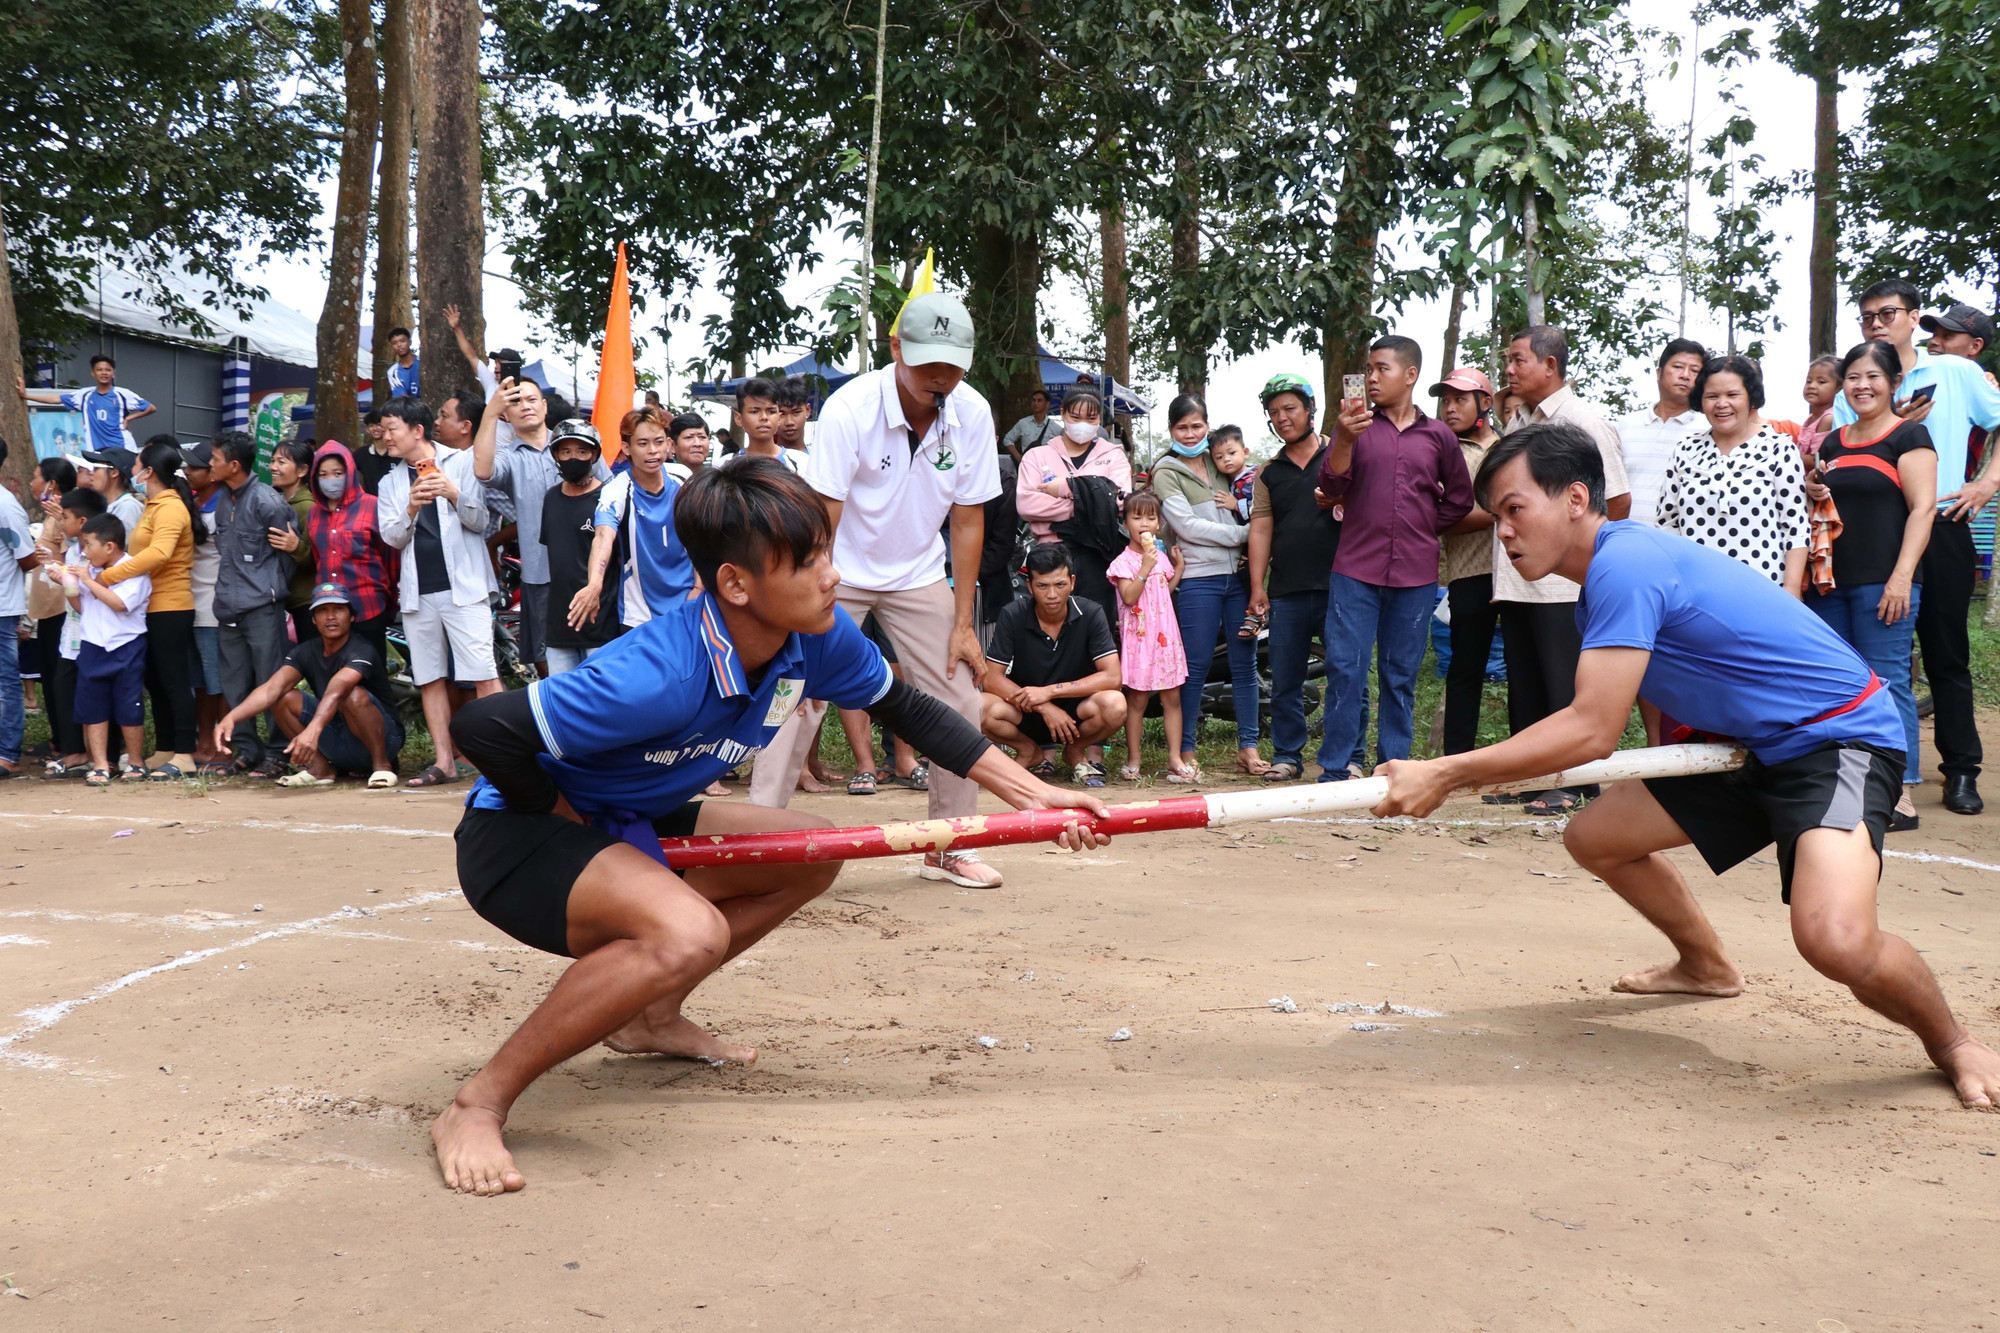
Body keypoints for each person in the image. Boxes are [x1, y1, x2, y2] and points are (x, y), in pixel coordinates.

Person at [432, 458, 1108, 1194]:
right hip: (520, 838)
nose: (832, 576)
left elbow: (907, 710)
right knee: (688, 932)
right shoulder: (660, 672)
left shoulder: (812, 637)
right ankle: (477, 1103)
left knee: (810, 849)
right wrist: (566, 816)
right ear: (735, 584)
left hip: (637, 811)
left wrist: (1033, 794)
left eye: (826, 551)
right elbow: (484, 726)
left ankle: (650, 1015)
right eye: (809, 561)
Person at [1373, 420, 2000, 1112]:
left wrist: (1447, 771)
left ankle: (1954, 1042)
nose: (1503, 531)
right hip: (1744, 745)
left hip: (1836, 741)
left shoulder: (1625, 562)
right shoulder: (1602, 587)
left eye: (1515, 509)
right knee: (1595, 838)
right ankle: (1705, 964)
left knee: (1835, 940)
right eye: (1496, 516)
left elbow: (1591, 729)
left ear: (1576, 498)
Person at [752, 291, 1005, 888]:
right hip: (839, 568)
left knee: (960, 697)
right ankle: (756, 843)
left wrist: (964, 621)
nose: (940, 379)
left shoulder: (972, 411)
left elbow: (968, 519)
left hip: (919, 573)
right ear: (896, 349)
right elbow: (824, 516)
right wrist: (812, 600)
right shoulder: (850, 409)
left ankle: (949, 844)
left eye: (953, 366)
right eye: (927, 365)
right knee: (797, 697)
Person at [1834, 280, 2000, 815]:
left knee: (1945, 651)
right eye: (1866, 316)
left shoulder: (1955, 372)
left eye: (1888, 313)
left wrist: (1986, 482)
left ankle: (1960, 772)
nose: (1877, 322)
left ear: (1913, 316)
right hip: (1876, 535)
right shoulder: (1853, 388)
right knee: (1879, 662)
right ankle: (1883, 771)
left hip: (1944, 521)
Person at [1319, 335, 1475, 781]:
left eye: (1380, 368)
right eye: (1368, 368)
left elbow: (1460, 500)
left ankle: (1394, 770)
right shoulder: (1353, 426)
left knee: (1400, 675)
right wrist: (1345, 439)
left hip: (1415, 573)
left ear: (1409, 376)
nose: (1370, 377)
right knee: (1345, 669)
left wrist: (1423, 528)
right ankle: (1334, 768)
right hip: (1354, 570)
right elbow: (1330, 487)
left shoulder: (1439, 436)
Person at [1492, 326, 1632, 816]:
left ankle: (1573, 784)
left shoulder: (1583, 423)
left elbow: (1617, 500)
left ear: (1550, 366)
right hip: (1518, 580)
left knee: (1563, 686)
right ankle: (1528, 779)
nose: (1508, 370)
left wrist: (1591, 568)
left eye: (1518, 360)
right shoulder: (1518, 426)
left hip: (1564, 583)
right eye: (1507, 361)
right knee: (1526, 684)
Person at [1803, 340, 1938, 831]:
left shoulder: (1909, 436)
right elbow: (1825, 502)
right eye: (1854, 377)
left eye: (1873, 377)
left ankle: (1900, 793)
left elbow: (1923, 510)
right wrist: (1814, 486)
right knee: (1840, 686)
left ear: (1893, 382)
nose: (1862, 386)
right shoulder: (1835, 442)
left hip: (1886, 582)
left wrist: (1902, 577)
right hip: (1831, 585)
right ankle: (1847, 785)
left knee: (1887, 683)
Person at [376, 395, 498, 788]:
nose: (385, 436)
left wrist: (452, 493)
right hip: (417, 593)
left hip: (465, 588)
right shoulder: (390, 481)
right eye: (383, 429)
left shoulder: (461, 462)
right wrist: (411, 508)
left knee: (484, 675)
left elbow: (483, 521)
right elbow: (392, 538)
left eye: (392, 428)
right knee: (429, 678)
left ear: (417, 430)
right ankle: (444, 761)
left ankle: (505, 757)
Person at [1246, 372, 1358, 784]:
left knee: (1348, 674)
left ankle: (1351, 756)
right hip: (1287, 590)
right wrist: (1258, 586)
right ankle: (1288, 755)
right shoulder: (1268, 472)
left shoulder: (1341, 454)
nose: (1282, 418)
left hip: (1343, 587)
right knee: (1284, 679)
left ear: (1310, 409)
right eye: (1274, 413)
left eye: (1290, 408)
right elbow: (1260, 527)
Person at [1148, 394, 1260, 781]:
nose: (1191, 433)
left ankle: (1249, 748)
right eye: (1183, 428)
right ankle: (1186, 750)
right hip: (1198, 579)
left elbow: (1254, 486)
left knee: (1245, 665)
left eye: (1197, 426)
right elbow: (1187, 528)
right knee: (1193, 667)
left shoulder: (1220, 460)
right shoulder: (1165, 470)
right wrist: (1248, 534)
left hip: (1239, 579)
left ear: (1207, 426)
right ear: (1172, 431)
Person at [474, 377, 605, 680]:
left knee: (599, 661)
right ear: (506, 413)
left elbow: (609, 499)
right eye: (515, 402)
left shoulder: (579, 442)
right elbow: (483, 471)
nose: (525, 406)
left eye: (531, 399)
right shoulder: (509, 456)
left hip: (591, 571)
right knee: (551, 663)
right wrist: (490, 412)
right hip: (541, 574)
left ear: (545, 406)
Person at [214, 582, 402, 788]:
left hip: (383, 739)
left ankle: (382, 766)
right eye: (323, 611)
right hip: (336, 738)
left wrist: (312, 731)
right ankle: (320, 768)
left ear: (351, 616)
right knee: (283, 697)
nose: (330, 616)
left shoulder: (362, 649)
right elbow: (271, 689)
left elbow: (336, 692)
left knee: (352, 695)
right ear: (313, 619)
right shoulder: (305, 651)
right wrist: (230, 718)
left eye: (338, 609)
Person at [97, 438, 206, 779]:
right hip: (150, 606)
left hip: (170, 606)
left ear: (150, 471)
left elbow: (159, 554)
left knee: (174, 680)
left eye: (138, 463)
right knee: (156, 680)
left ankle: (185, 753)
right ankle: (166, 748)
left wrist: (110, 575)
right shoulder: (153, 504)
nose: (132, 469)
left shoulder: (171, 507)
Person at [1656, 354, 1810, 592]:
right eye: (1712, 396)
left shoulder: (1779, 447)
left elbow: (1796, 527)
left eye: (1732, 395)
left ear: (1751, 398)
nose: (1721, 404)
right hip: (1696, 593)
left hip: (1765, 591)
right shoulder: (1684, 450)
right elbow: (1667, 525)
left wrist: (1792, 589)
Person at [980, 542, 1127, 783]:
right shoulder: (1013, 614)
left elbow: (1112, 677)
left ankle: (1075, 751)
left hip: (1077, 711)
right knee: (978, 706)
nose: (1051, 594)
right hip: (1026, 708)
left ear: (1072, 582)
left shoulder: (1091, 613)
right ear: (1029, 586)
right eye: (1042, 586)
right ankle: (1029, 750)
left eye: (1060, 585)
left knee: (1115, 704)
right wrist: (1043, 705)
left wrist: (1048, 693)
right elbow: (991, 678)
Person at [209, 430, 302, 778]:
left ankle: (278, 752)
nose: (210, 464)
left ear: (233, 465)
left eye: (216, 459)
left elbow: (288, 557)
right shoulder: (222, 499)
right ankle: (246, 749)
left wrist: (271, 591)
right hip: (227, 608)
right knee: (234, 683)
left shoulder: (269, 502)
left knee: (270, 681)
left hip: (263, 608)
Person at [1432, 368, 1503, 756]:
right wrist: (1505, 511)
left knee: (1527, 672)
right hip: (1468, 573)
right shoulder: (1443, 452)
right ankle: (1456, 761)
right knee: (1465, 671)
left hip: (1520, 575)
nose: (1449, 408)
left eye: (1459, 399)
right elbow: (1442, 518)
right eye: (1445, 400)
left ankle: (1527, 763)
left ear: (1485, 403)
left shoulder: (1511, 445)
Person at [1015, 387, 1130, 627]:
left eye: (1091, 418)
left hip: (1097, 556)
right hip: (1049, 554)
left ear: (1099, 419)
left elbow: (1119, 501)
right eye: (1075, 417)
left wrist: (1066, 488)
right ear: (1063, 413)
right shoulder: (1036, 456)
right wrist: (1090, 501)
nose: (1083, 424)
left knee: (1097, 629)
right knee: (1049, 629)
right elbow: (1026, 504)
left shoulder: (1114, 455)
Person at [574, 408, 692, 631]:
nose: (653, 451)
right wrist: (594, 585)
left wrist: (699, 587)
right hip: (638, 615)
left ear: (668, 443)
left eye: (658, 442)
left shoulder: (683, 477)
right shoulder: (616, 489)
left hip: (689, 603)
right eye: (643, 443)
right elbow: (602, 536)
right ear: (627, 448)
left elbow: (704, 533)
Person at [62, 512, 150, 786]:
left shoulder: (133, 569)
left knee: (129, 704)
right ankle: (100, 763)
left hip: (126, 645)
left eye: (88, 545)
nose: (85, 553)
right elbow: (83, 608)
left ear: (109, 546)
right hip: (92, 644)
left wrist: (87, 581)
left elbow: (119, 604)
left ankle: (135, 760)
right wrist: (66, 584)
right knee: (92, 705)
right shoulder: (92, 571)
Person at [1107, 492, 1186, 781]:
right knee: (1137, 700)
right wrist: (1144, 568)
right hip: (1140, 640)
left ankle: (1175, 758)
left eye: (1150, 518)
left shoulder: (1160, 556)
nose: (1144, 523)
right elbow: (1129, 598)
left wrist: (1177, 569)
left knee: (1172, 699)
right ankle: (1134, 759)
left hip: (1166, 637)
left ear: (1158, 524)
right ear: (1125, 522)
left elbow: (1165, 588)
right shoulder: (1123, 562)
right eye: (1136, 517)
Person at [303, 440, 399, 660]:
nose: (331, 480)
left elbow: (390, 557)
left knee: (373, 676)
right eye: (324, 474)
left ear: (350, 473)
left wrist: (389, 601)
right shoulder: (314, 514)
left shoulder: (373, 506)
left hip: (369, 607)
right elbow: (319, 558)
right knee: (336, 676)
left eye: (337, 473)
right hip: (330, 614)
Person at [539, 421, 622, 674]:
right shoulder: (552, 497)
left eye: (582, 451)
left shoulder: (609, 497)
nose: (573, 457)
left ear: (594, 455)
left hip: (601, 626)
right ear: (556, 455)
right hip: (559, 625)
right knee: (562, 702)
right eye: (566, 451)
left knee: (602, 702)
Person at [37, 487, 107, 776]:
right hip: (72, 635)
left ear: (82, 522)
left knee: (96, 695)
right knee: (64, 690)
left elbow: (89, 592)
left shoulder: (99, 553)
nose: (61, 522)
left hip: (93, 636)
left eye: (64, 517)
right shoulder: (75, 549)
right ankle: (74, 752)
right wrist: (57, 569)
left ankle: (104, 756)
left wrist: (65, 576)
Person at [1616, 339, 1707, 525]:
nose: (1685, 375)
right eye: (1678, 367)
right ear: (1659, 373)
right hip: (1624, 537)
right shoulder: (1625, 426)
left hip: (1680, 543)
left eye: (1695, 371)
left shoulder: (1708, 430)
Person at [179, 444, 229, 770]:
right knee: (199, 682)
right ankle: (204, 741)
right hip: (190, 603)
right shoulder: (193, 503)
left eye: (193, 467)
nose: (187, 471)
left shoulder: (224, 505)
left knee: (218, 682)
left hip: (214, 605)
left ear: (212, 473)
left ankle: (223, 747)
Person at [18, 357, 154, 453]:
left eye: (108, 370)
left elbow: (150, 407)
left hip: (122, 447)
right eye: (100, 370)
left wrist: (129, 418)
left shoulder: (123, 394)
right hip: (96, 450)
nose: (104, 372)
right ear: (93, 373)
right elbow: (56, 399)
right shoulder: (85, 395)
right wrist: (26, 396)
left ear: (113, 373)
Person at [0, 438, 34, 778]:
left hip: (0, 608)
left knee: (5, 681)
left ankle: (6, 752)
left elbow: (25, 558)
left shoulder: (5, 506)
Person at [265, 439, 320, 642]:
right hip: (285, 599)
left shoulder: (308, 507)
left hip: (305, 601)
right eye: (272, 461)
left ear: (302, 470)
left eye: (281, 462)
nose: (273, 467)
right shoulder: (277, 502)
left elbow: (318, 558)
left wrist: (296, 547)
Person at [731, 377, 806, 470]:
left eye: (771, 411)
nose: (764, 417)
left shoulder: (802, 463)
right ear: (739, 419)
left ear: (779, 418)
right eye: (754, 411)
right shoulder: (725, 465)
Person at [79, 449, 144, 534]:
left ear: (114, 472)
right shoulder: (107, 505)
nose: (91, 472)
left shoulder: (128, 506)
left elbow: (118, 545)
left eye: (96, 468)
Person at [1796, 355, 1842, 462]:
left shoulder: (1828, 419)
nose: (1812, 386)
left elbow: (1817, 460)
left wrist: (1787, 455)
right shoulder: (1811, 418)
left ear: (1839, 389)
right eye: (1809, 381)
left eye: (1821, 382)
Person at [1001, 388, 1060, 462]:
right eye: (1033, 400)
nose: (1035, 403)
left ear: (1047, 404)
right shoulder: (1023, 423)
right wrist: (1018, 457)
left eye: (1039, 400)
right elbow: (1007, 439)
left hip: (1046, 466)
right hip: (1027, 464)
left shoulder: (1055, 427)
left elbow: (1064, 446)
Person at [352, 408, 397, 495]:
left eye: (378, 425)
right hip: (371, 504)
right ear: (367, 430)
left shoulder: (398, 453)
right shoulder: (361, 454)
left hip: (396, 504)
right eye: (371, 426)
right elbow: (348, 471)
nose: (375, 428)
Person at [772, 374, 814, 459]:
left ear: (808, 410)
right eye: (782, 413)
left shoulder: (819, 459)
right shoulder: (763, 461)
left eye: (796, 412)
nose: (789, 422)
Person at [667, 412, 711, 479]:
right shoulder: (664, 480)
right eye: (688, 438)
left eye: (702, 437)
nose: (697, 444)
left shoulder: (716, 481)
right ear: (672, 445)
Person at [385, 326, 421, 401]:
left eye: (402, 341)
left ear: (409, 342)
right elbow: (402, 399)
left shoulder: (422, 363)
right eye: (394, 343)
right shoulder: (392, 372)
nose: (399, 345)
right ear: (392, 346)